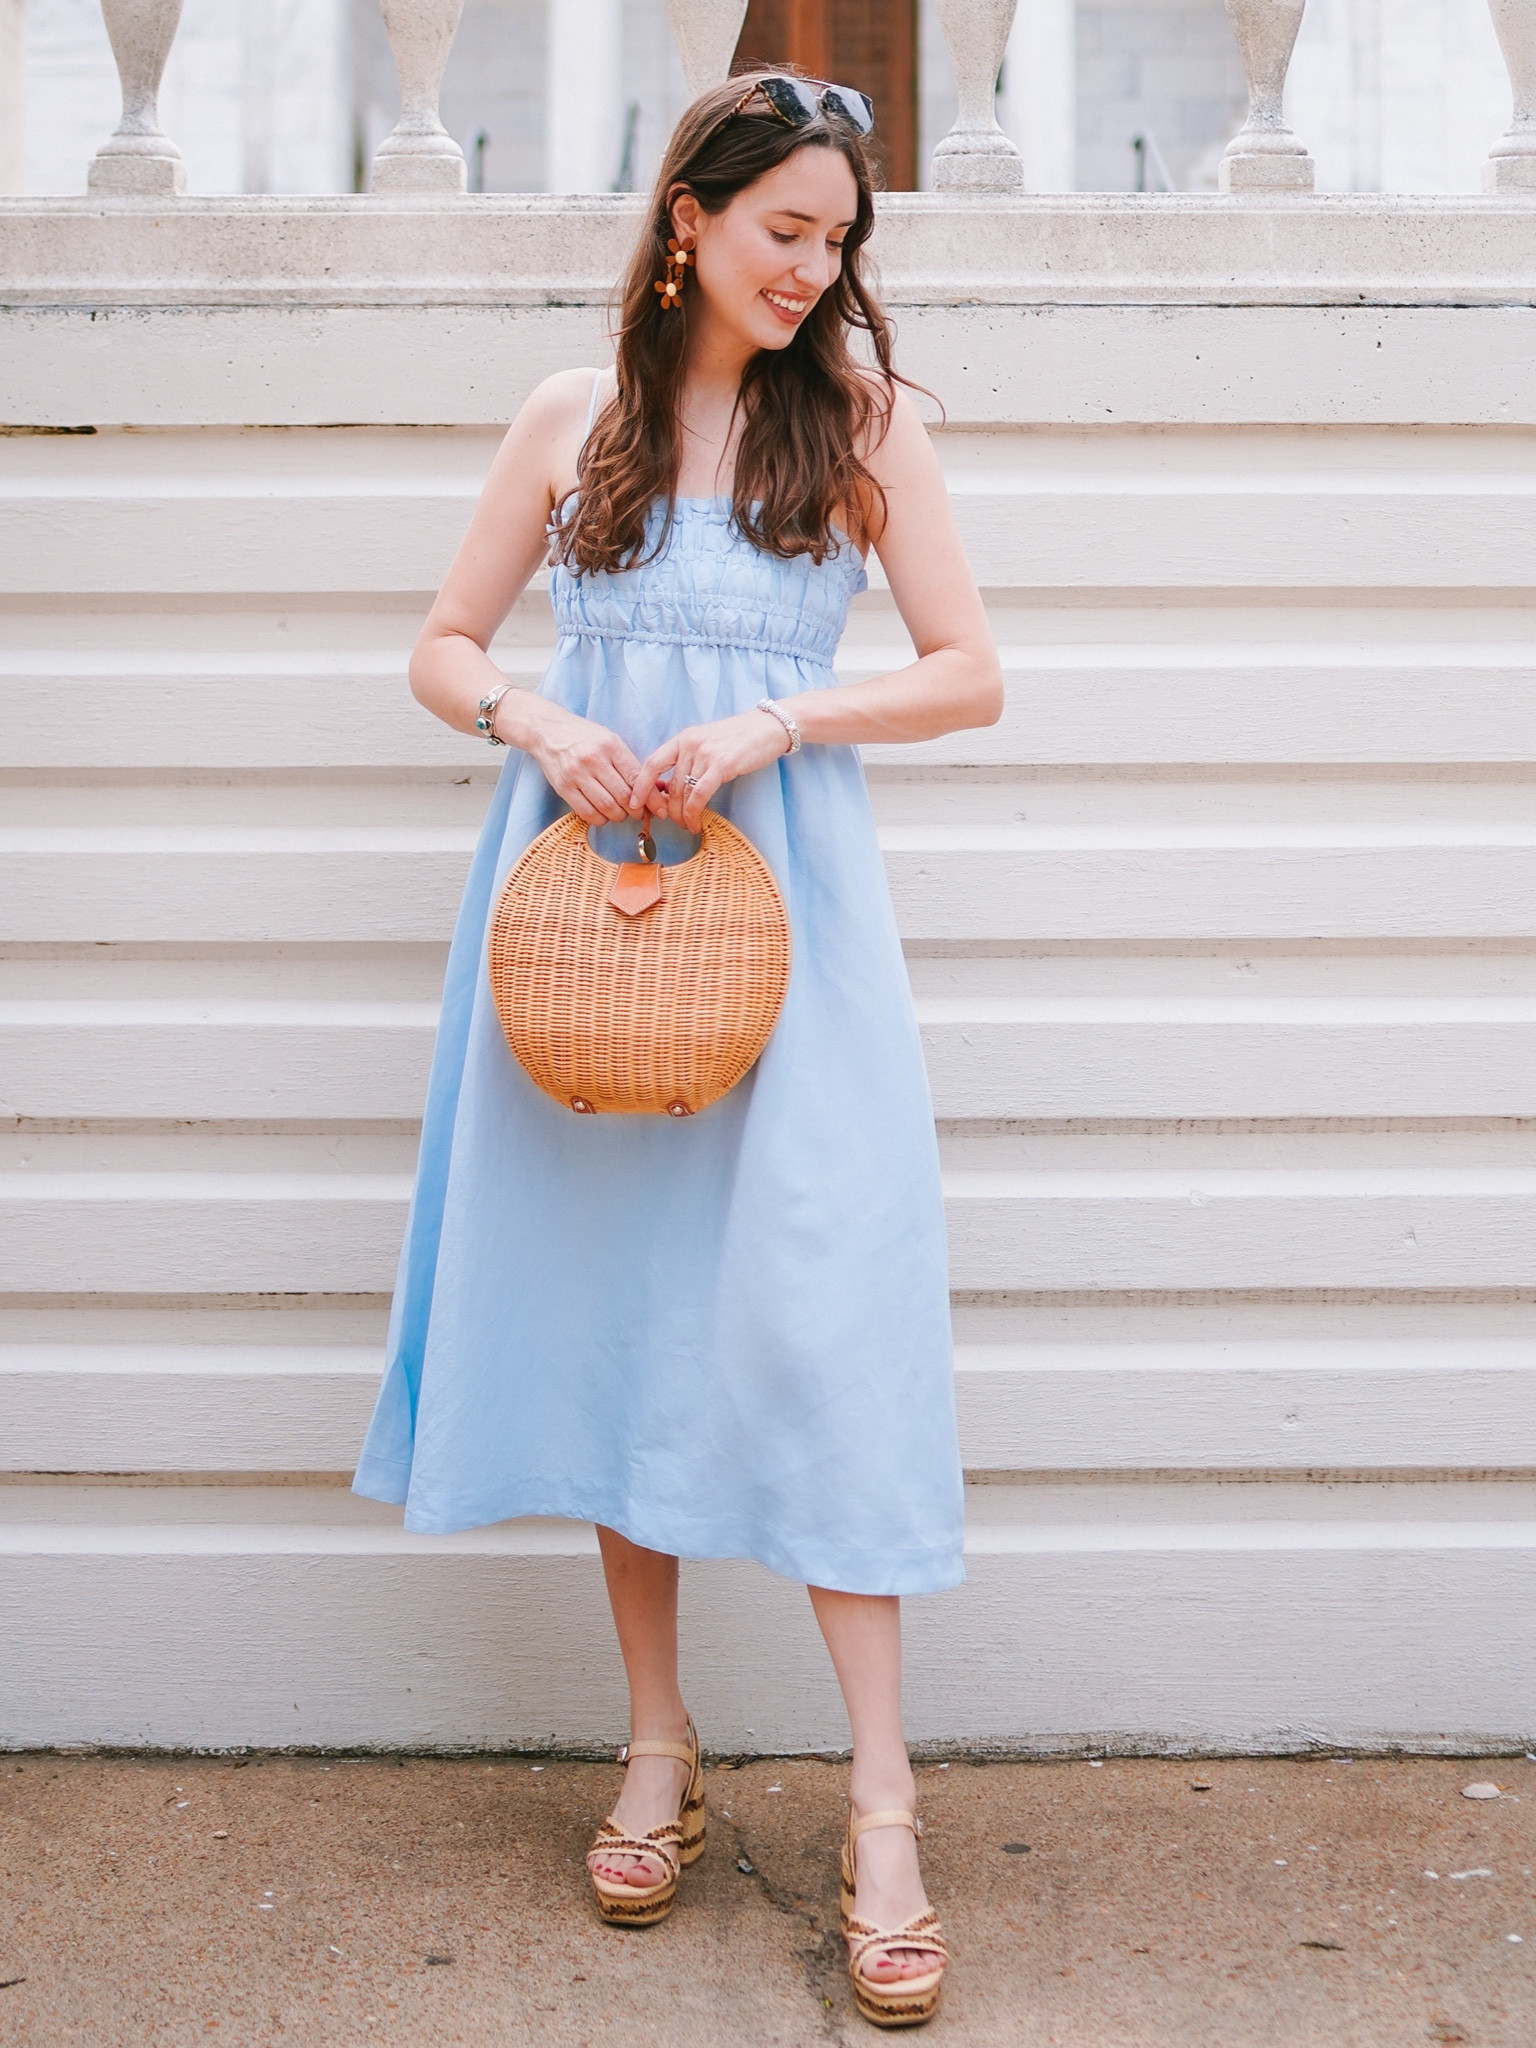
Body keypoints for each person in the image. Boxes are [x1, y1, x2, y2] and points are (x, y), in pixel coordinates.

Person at [353, 68, 1002, 2029]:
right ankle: (660, 1744)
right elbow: (445, 643)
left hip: (787, 935)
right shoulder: (577, 419)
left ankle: (881, 1802)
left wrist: (781, 721)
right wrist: (540, 726)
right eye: (785, 229)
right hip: (586, 931)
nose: (815, 270)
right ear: (690, 220)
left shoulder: (869, 422)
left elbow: (973, 672)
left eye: (841, 241)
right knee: (634, 1315)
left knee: (819, 1323)